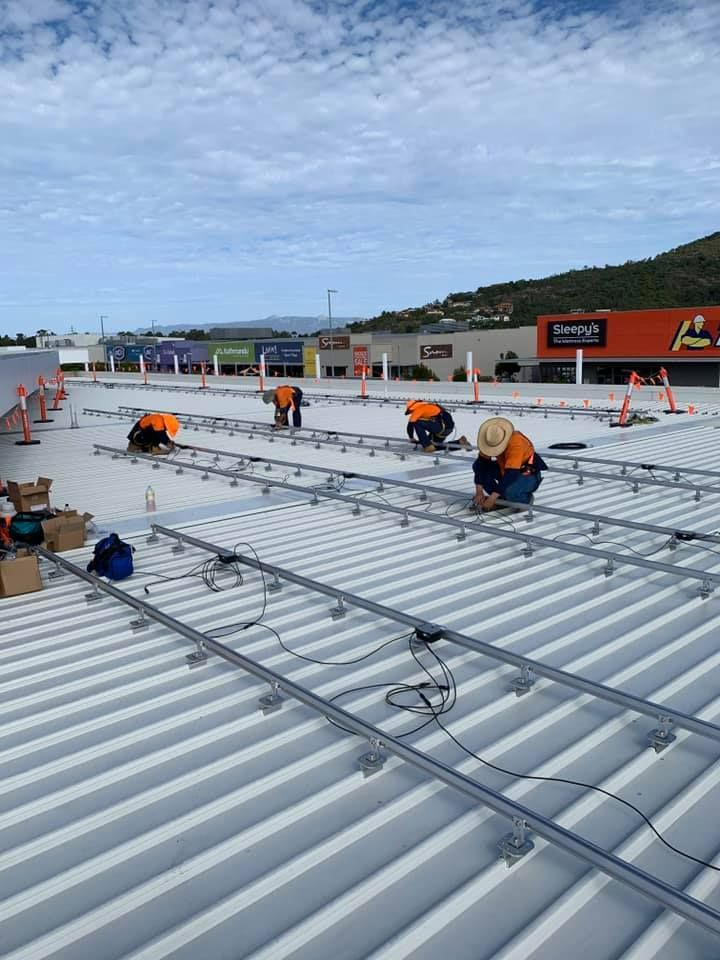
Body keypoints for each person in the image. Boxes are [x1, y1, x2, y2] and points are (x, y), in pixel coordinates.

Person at [472, 417, 546, 510]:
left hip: (527, 474)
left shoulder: (516, 442)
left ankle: (524, 500)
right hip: (505, 468)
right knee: (478, 467)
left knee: (509, 491)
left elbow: (511, 474)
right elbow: (481, 465)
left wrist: (492, 497)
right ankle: (502, 499)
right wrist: (479, 491)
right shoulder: (489, 439)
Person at [405, 400, 470, 453]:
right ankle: (460, 442)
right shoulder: (428, 406)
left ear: (411, 408)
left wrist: (411, 437)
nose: (411, 413)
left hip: (441, 427)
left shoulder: (419, 409)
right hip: (446, 428)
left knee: (417, 423)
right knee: (434, 446)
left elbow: (410, 425)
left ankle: (427, 446)